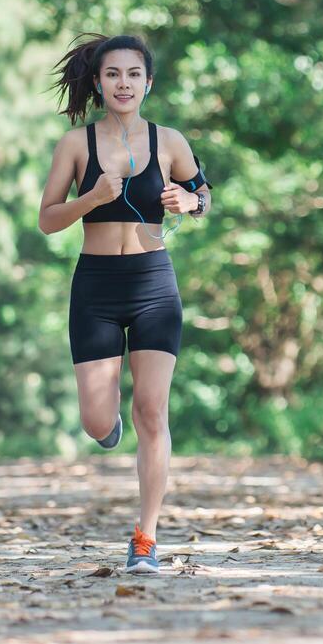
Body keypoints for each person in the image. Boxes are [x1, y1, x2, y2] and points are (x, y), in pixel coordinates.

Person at [38, 32, 211, 575]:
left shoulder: (169, 142)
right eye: (113, 74)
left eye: (134, 74)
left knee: (151, 411)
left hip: (153, 283)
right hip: (96, 286)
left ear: (148, 83)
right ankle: (105, 427)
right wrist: (90, 198)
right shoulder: (75, 145)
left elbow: (204, 196)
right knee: (96, 421)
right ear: (98, 81)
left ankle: (146, 539)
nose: (123, 83)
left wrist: (189, 201)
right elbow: (47, 219)